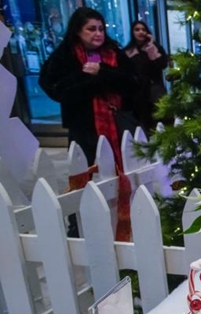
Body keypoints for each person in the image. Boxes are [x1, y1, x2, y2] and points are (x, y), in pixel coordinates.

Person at [39, 7, 138, 240]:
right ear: (77, 31)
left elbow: (134, 83)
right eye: (91, 29)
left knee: (118, 176)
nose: (98, 34)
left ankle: (121, 222)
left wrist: (102, 72)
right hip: (83, 129)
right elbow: (56, 89)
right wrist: (88, 78)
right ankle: (82, 225)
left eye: (101, 28)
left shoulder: (114, 53)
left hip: (116, 127)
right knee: (83, 178)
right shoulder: (65, 57)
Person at [123, 21, 169, 132]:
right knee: (144, 123)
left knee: (163, 119)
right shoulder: (128, 51)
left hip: (155, 88)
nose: (141, 32)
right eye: (137, 29)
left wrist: (151, 48)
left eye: (143, 29)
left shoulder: (155, 47)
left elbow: (162, 64)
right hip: (138, 92)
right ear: (132, 32)